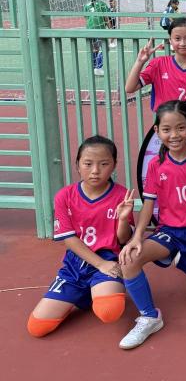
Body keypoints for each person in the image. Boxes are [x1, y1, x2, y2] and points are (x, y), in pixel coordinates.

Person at [118, 100, 186, 349]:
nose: (174, 135)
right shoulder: (156, 165)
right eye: (167, 129)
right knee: (129, 259)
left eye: (181, 128)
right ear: (157, 131)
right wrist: (136, 238)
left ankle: (184, 259)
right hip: (170, 232)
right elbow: (148, 205)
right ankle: (149, 317)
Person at [27, 136, 134, 338]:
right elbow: (69, 240)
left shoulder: (121, 195)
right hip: (76, 265)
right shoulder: (64, 196)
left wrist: (122, 219)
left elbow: (123, 239)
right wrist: (100, 264)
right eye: (88, 163)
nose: (95, 170)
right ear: (77, 165)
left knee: (109, 311)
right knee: (37, 328)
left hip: (109, 259)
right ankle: (83, 293)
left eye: (104, 164)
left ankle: (99, 289)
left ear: (114, 165)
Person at [124, 17, 186, 111]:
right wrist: (139, 62)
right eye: (177, 39)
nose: (182, 43)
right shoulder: (158, 64)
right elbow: (129, 88)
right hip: (163, 119)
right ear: (170, 40)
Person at [83, 0, 112, 76]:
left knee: (95, 49)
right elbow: (106, 18)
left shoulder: (86, 5)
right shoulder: (102, 4)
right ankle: (98, 67)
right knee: (105, 48)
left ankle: (93, 68)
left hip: (90, 29)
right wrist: (111, 29)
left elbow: (86, 18)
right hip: (99, 29)